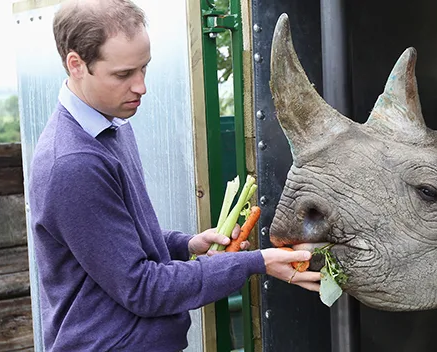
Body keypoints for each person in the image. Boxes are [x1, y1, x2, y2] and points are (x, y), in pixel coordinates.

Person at [28, 0, 321, 351]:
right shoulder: (73, 163)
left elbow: (116, 241)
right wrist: (254, 262)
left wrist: (185, 244)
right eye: (123, 74)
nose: (141, 87)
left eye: (144, 68)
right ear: (77, 64)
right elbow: (141, 288)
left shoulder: (111, 124)